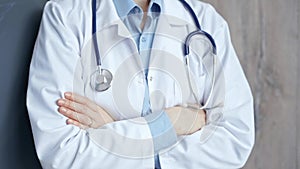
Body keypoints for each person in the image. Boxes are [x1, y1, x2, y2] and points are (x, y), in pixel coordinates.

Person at [26, 0, 255, 168]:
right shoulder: (66, 18)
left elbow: (235, 138)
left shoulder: (206, 22)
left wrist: (115, 133)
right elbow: (62, 152)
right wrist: (172, 123)